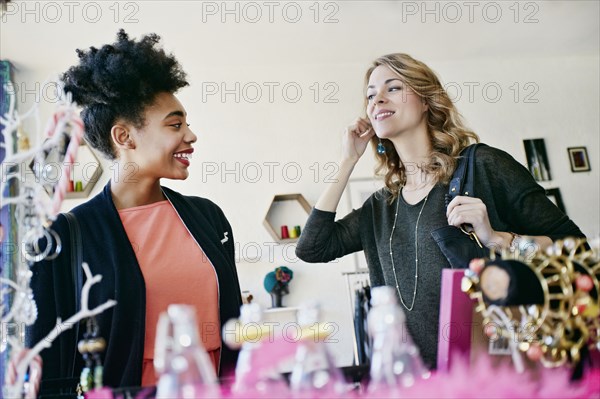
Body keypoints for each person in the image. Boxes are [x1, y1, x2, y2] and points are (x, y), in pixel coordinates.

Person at [295, 53, 585, 369]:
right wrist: (347, 161)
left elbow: (574, 248)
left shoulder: (485, 166)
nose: (377, 99)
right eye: (370, 95)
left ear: (426, 101)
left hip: (490, 375)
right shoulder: (379, 208)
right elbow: (312, 247)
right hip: (414, 381)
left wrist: (498, 238)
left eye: (392, 88)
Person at [25, 30, 242, 389]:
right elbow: (44, 360)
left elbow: (234, 330)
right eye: (175, 124)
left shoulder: (209, 218)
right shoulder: (64, 236)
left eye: (187, 123)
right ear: (124, 137)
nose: (190, 135)